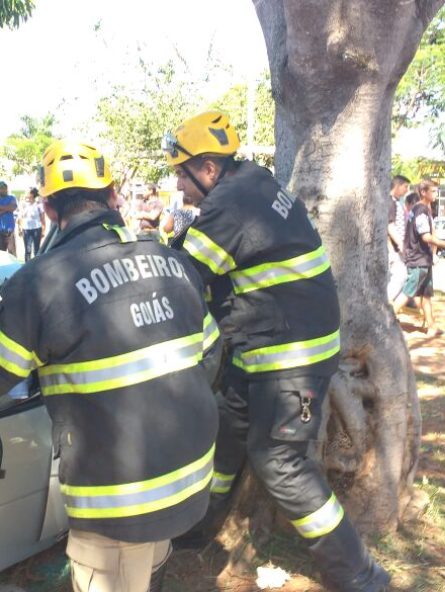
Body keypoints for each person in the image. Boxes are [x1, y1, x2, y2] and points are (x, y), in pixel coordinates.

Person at [0, 140, 221, 592]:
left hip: (115, 500)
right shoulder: (174, 262)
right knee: (149, 572)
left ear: (49, 210)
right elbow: (211, 353)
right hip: (188, 475)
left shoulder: (40, 283)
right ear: (113, 196)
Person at [161, 111, 390, 592]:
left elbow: (183, 277)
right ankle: (203, 527)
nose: (177, 185)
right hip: (263, 348)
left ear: (206, 168)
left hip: (291, 359)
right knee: (226, 433)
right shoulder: (253, 182)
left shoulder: (229, 202)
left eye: (181, 173)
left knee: (281, 463)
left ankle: (357, 571)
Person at [393, 180, 445, 336]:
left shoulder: (422, 209)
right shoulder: (420, 211)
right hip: (418, 260)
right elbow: (426, 237)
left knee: (426, 295)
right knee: (408, 292)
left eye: (436, 191)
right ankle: (386, 322)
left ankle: (431, 327)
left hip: (423, 259)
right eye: (433, 191)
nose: (436, 194)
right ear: (423, 192)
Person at [387, 175, 410, 302]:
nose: (406, 190)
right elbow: (390, 226)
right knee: (400, 277)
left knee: (400, 277)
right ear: (397, 185)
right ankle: (385, 305)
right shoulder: (390, 202)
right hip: (393, 249)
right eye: (405, 187)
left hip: (397, 248)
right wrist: (400, 244)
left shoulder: (396, 202)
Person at [0, 180, 17, 254]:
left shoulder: (11, 198)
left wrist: (0, 208)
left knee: (12, 254)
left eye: (5, 188)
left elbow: (13, 208)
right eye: (1, 188)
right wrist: (6, 209)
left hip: (9, 230)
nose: (3, 190)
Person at [18, 187, 44, 260]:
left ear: (32, 194)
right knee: (27, 250)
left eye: (28, 192)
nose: (26, 194)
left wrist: (43, 229)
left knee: (37, 250)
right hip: (26, 229)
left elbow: (42, 218)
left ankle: (37, 266)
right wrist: (19, 228)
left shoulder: (38, 205)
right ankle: (27, 266)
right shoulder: (23, 205)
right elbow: (20, 217)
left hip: (36, 228)